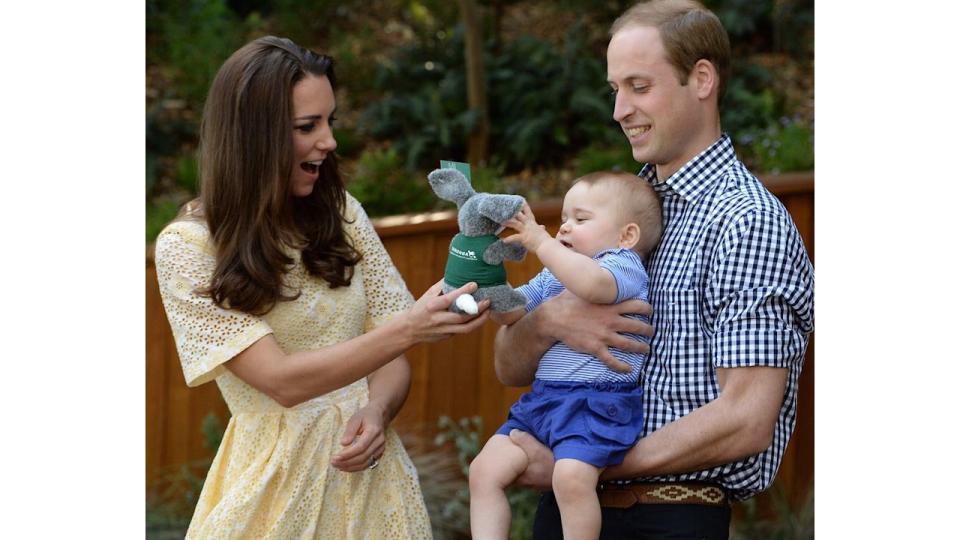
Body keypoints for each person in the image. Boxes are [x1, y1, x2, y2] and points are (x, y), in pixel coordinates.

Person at [491, 1, 815, 538]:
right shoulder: (613, 210)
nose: (619, 109)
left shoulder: (747, 222)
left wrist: (591, 462)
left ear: (702, 79)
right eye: (614, 89)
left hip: (669, 516)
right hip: (567, 510)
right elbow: (507, 367)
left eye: (639, 87)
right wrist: (548, 322)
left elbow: (746, 418)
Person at [154, 36, 490, 539]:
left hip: (374, 487)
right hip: (271, 493)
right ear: (253, 137)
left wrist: (376, 411)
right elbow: (282, 381)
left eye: (330, 121)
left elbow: (390, 360)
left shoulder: (342, 213)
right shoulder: (189, 247)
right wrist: (410, 328)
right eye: (307, 126)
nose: (329, 141)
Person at [469, 172, 663, 539]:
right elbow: (514, 314)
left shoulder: (621, 265)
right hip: (544, 402)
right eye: (563, 220)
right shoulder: (553, 276)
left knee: (571, 478)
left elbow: (592, 285)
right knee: (484, 470)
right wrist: (486, 283)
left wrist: (541, 241)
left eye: (581, 219)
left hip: (596, 405)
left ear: (627, 235)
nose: (564, 229)